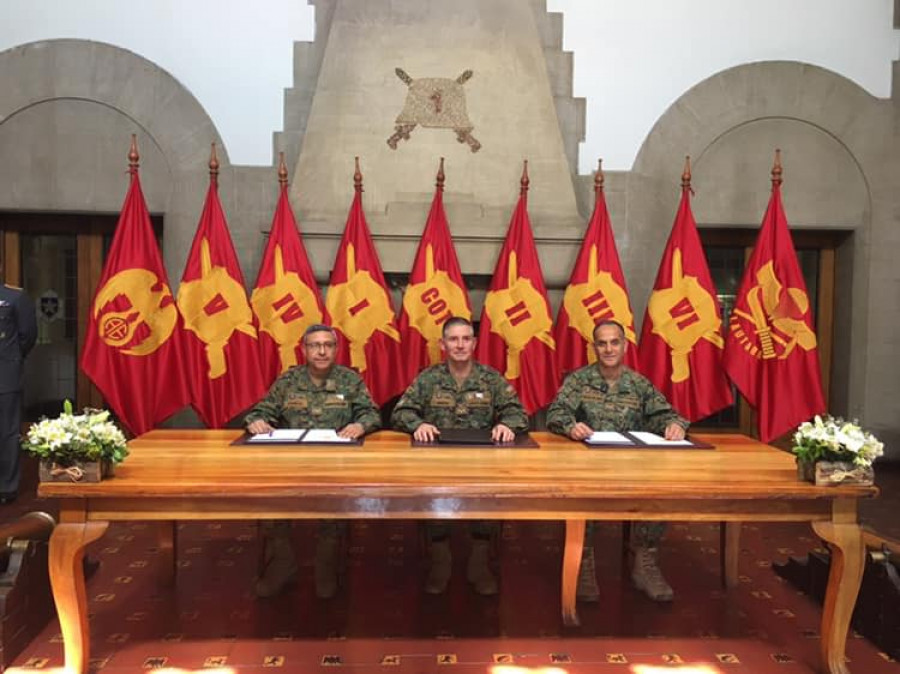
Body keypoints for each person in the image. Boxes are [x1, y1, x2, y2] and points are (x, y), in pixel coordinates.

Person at [546, 319, 687, 603]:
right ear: (594, 347)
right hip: (588, 464)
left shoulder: (638, 383)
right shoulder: (578, 380)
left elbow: (665, 414)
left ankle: (644, 562)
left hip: (631, 465)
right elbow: (555, 413)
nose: (609, 348)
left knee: (659, 491)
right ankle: (583, 562)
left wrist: (675, 426)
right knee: (579, 495)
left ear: (624, 345)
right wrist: (571, 426)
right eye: (602, 343)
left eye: (614, 342)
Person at [391, 316, 528, 596]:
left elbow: (518, 412)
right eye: (453, 339)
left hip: (482, 461)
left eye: (466, 339)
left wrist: (506, 424)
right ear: (442, 344)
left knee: (486, 509)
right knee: (435, 509)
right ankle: (441, 562)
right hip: (437, 461)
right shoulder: (429, 378)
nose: (460, 345)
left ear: (474, 343)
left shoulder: (490, 378)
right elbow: (401, 412)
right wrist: (418, 424)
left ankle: (479, 564)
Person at [244, 323, 381, 598]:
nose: (321, 351)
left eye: (328, 345)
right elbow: (261, 410)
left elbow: (372, 413)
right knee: (271, 506)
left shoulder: (349, 380)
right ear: (304, 349)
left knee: (333, 509)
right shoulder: (288, 381)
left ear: (336, 349)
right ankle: (283, 563)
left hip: (337, 463)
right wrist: (257, 421)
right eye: (315, 346)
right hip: (291, 463)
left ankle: (325, 567)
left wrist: (361, 426)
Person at [0, 282, 37, 505]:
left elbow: (27, 336)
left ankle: (6, 487)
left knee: (7, 432)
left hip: (5, 374)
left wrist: (10, 360)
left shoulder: (15, 297)